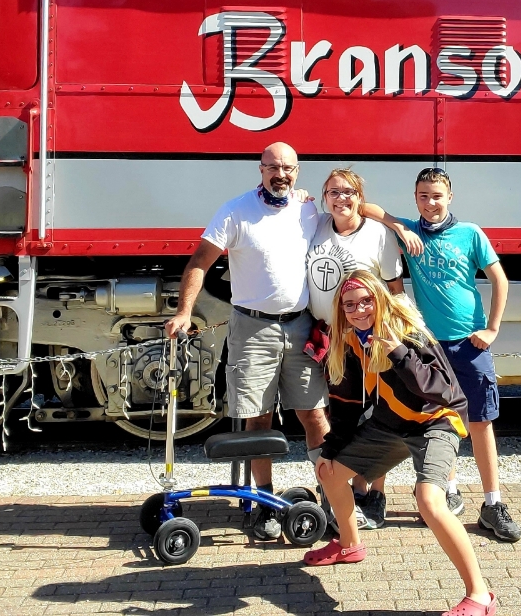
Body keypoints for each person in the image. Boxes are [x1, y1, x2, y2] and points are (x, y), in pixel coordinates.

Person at [163, 143, 408, 496]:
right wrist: (184, 312)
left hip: (300, 327)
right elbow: (199, 262)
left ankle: (330, 494)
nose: (281, 175)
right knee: (258, 419)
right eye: (273, 167)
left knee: (315, 414)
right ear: (260, 169)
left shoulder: (307, 209)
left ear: (297, 172)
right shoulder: (235, 212)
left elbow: (353, 204)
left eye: (288, 168)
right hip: (252, 328)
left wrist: (395, 223)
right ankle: (263, 499)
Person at [305, 270, 497, 616]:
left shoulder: (409, 332)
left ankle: (479, 595)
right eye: (350, 304)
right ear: (341, 310)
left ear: (380, 298)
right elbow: (347, 407)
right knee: (330, 472)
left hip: (436, 421)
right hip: (391, 425)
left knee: (429, 500)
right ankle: (349, 545)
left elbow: (443, 390)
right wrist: (331, 449)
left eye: (366, 300)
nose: (360, 310)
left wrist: (397, 352)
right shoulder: (348, 341)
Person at [400, 166, 521, 543]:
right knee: (437, 420)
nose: (430, 203)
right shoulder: (411, 232)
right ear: (415, 198)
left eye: (437, 196)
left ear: (450, 197)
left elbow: (499, 278)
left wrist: (492, 329)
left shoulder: (470, 233)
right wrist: (400, 226)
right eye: (423, 196)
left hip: (469, 344)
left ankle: (492, 503)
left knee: (481, 422)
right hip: (430, 347)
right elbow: (369, 208)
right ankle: (449, 491)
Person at [305, 167, 406, 530]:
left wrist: (400, 335)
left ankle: (372, 493)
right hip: (327, 336)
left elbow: (394, 290)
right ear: (325, 196)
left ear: (360, 197)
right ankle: (339, 491)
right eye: (333, 191)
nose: (341, 198)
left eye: (349, 192)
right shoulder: (316, 225)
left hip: (367, 336)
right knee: (338, 415)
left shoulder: (378, 234)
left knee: (376, 414)